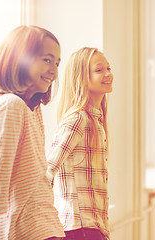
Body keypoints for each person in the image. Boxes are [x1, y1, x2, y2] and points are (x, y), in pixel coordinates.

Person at [0, 25, 65, 240]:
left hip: (36, 229)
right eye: (47, 60)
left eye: (57, 63)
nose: (54, 70)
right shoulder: (12, 106)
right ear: (19, 58)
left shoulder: (26, 109)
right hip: (39, 229)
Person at [46, 47, 113, 240]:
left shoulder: (95, 119)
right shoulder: (77, 119)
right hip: (78, 229)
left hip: (92, 227)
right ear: (81, 77)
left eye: (108, 68)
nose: (108, 74)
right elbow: (49, 170)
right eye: (99, 70)